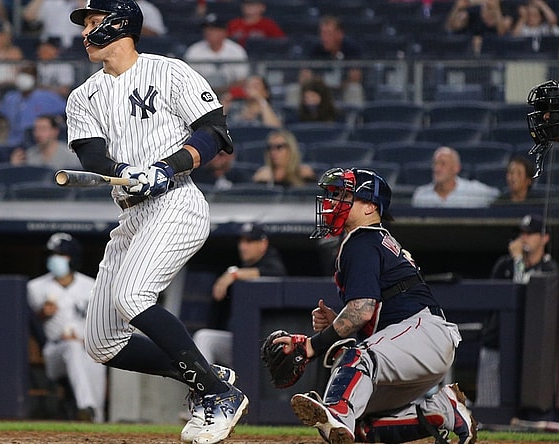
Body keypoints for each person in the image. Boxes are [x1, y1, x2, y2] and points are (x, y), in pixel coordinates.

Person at [65, 1, 247, 443]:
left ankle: (218, 394)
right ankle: (205, 374)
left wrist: (164, 166)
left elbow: (215, 131)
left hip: (176, 202)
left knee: (132, 295)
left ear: (120, 24)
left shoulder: (170, 71)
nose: (85, 32)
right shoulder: (83, 95)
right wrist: (127, 170)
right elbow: (91, 155)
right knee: (102, 343)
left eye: (93, 22)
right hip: (132, 215)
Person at [277, 167, 476, 444]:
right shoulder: (370, 240)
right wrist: (338, 321)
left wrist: (311, 345)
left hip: (422, 332)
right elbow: (368, 315)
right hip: (419, 343)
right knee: (362, 424)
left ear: (371, 207)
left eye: (346, 196)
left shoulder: (362, 239)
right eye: (335, 195)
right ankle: (443, 411)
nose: (334, 202)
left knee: (353, 361)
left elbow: (362, 309)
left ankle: (337, 413)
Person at [475, 213, 557, 408]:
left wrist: (519, 261)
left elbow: (521, 293)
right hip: (495, 344)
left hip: (529, 349)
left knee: (521, 406)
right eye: (522, 233)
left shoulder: (549, 268)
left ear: (544, 238)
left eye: (531, 233)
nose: (524, 238)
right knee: (487, 406)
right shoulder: (504, 264)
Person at [26, 232, 107, 422]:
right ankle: (86, 406)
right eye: (52, 254)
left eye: (61, 255)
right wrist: (42, 315)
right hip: (54, 351)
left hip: (87, 347)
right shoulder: (35, 288)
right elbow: (28, 324)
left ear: (73, 258)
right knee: (72, 348)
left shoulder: (91, 286)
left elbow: (102, 323)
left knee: (92, 357)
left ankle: (96, 417)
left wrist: (85, 339)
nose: (55, 259)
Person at [193, 223, 286, 368]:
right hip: (241, 342)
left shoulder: (271, 260)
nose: (243, 247)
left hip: (267, 347)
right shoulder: (241, 265)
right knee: (204, 338)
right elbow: (217, 295)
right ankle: (207, 389)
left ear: (263, 243)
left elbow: (276, 273)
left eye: (249, 241)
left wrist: (234, 274)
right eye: (241, 241)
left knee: (206, 338)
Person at [0, 64, 67, 148]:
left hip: (38, 144)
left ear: (35, 78)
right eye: (22, 74)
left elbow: (66, 112)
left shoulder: (47, 97)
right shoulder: (10, 98)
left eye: (28, 74)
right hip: (13, 143)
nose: (23, 78)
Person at [411, 146, 500, 208]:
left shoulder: (474, 191)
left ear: (456, 168)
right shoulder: (421, 195)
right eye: (435, 164)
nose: (437, 168)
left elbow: (499, 197)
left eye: (443, 164)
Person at [183, 13, 249, 94]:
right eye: (206, 29)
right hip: (201, 94)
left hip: (229, 94)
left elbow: (242, 80)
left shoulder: (236, 50)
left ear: (224, 32)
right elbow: (188, 80)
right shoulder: (194, 50)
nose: (208, 32)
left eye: (213, 29)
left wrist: (222, 91)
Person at [307, 16, 364, 107]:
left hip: (344, 89)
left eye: (328, 34)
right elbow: (305, 76)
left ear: (339, 34)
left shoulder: (352, 48)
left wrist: (338, 86)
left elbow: (355, 78)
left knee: (355, 89)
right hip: (319, 90)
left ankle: (353, 119)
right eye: (322, 33)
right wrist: (320, 85)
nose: (324, 38)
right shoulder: (315, 48)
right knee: (294, 89)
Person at [10, 115, 80, 169]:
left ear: (55, 131)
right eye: (36, 129)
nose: (38, 133)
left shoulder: (70, 156)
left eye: (43, 129)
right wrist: (15, 166)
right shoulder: (29, 156)